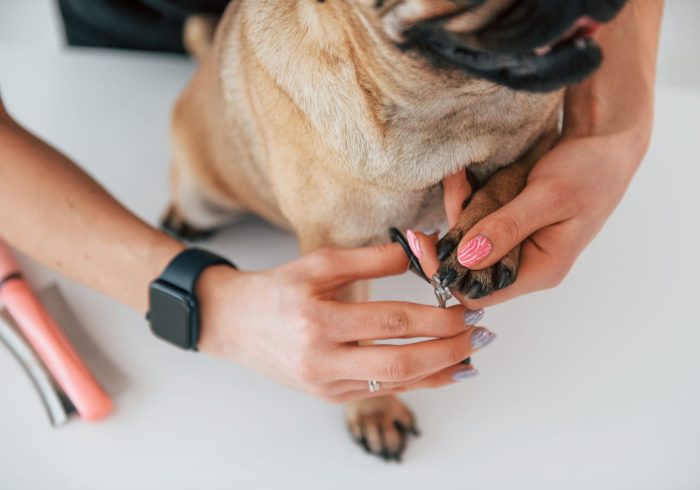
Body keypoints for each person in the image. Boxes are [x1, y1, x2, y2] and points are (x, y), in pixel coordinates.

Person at [0, 0, 662, 403]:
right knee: (197, 190)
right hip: (141, 33)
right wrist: (201, 301)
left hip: (495, 52)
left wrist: (618, 124)